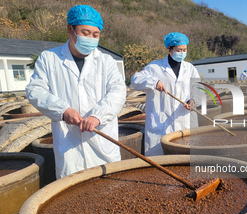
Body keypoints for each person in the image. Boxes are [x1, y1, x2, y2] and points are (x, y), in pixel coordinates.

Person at [26, 5, 126, 179]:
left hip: (102, 144)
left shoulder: (106, 61)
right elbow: (35, 90)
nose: (91, 39)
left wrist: (97, 116)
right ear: (70, 30)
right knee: (73, 194)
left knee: (109, 191)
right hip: (69, 145)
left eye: (96, 35)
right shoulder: (49, 59)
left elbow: (117, 91)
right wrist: (63, 110)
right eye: (85, 33)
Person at [130, 32, 201, 156]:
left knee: (185, 160)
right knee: (160, 160)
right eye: (179, 50)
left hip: (184, 119)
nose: (182, 53)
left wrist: (193, 101)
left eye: (184, 49)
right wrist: (154, 82)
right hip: (161, 122)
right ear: (169, 49)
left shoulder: (190, 68)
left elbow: (198, 88)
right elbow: (135, 80)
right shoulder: (154, 67)